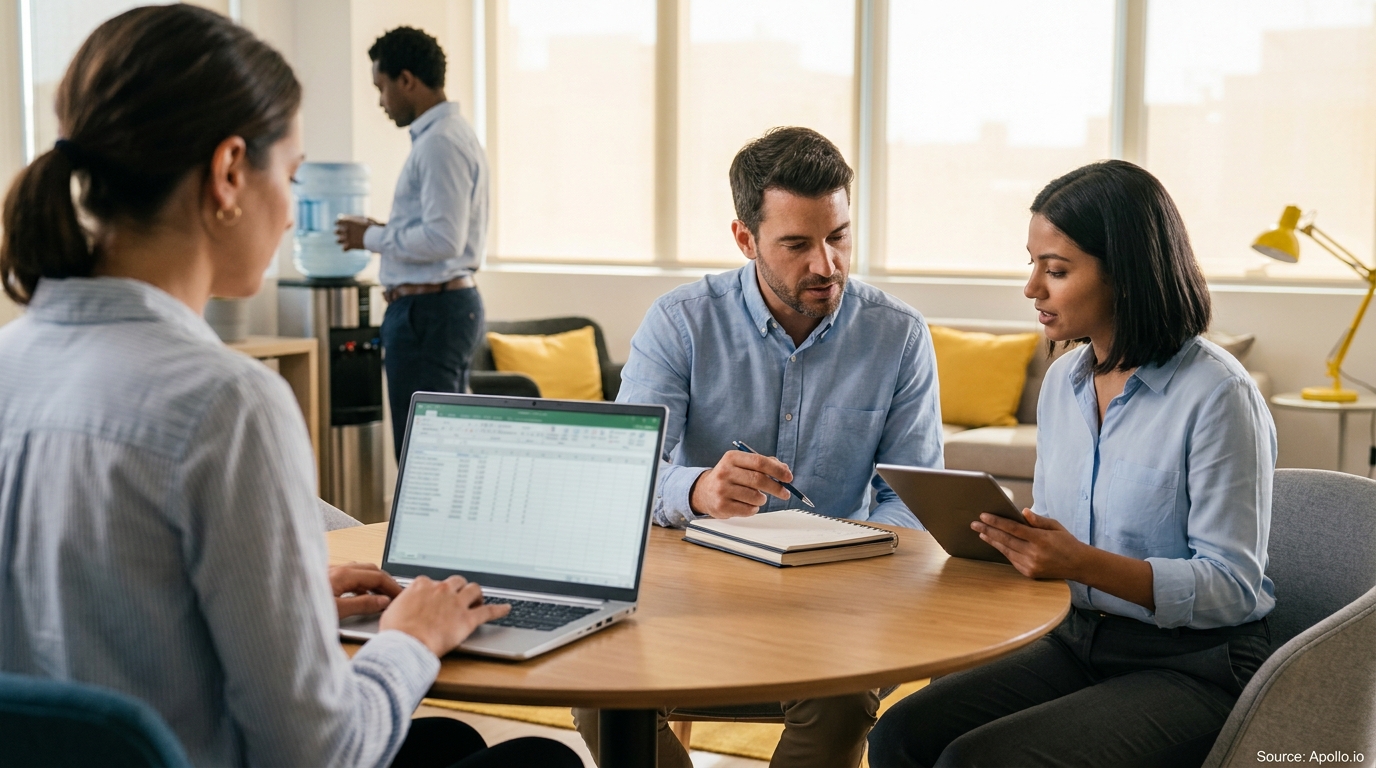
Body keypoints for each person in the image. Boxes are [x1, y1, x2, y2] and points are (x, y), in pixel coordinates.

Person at [0, 7, 577, 767]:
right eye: (294, 176)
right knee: (540, 760)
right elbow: (321, 753)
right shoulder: (224, 403)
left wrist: (292, 585)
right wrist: (412, 637)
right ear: (231, 171)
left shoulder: (13, 361)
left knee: (449, 741)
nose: (289, 216)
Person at [868, 160, 1276, 767]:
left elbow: (1233, 588)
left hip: (1193, 664)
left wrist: (1082, 562)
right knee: (900, 733)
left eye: (1056, 270)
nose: (1032, 287)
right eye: (1032, 264)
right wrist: (1016, 539)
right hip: (1072, 636)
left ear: (1128, 275)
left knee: (979, 761)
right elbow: (1059, 531)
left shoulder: (1219, 396)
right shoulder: (1065, 382)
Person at [573, 127, 944, 768]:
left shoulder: (899, 336)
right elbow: (623, 473)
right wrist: (696, 489)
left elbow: (910, 495)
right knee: (595, 691)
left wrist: (858, 554)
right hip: (696, 594)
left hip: (839, 599)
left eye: (838, 237)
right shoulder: (680, 323)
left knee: (843, 698)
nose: (825, 264)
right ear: (746, 239)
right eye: (797, 244)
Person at [336, 26, 488, 458]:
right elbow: (439, 227)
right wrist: (385, 229)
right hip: (434, 310)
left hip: (430, 314)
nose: (381, 102)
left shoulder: (440, 143)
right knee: (438, 452)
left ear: (407, 80)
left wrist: (371, 237)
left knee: (427, 456)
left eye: (381, 88)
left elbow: (443, 238)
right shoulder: (446, 136)